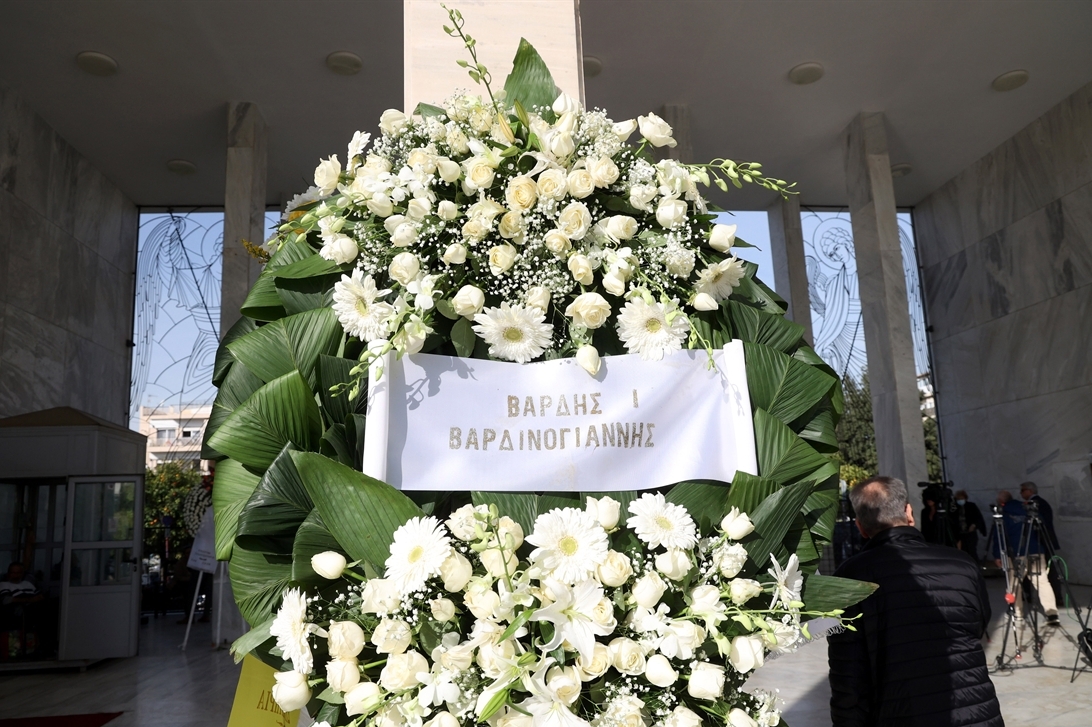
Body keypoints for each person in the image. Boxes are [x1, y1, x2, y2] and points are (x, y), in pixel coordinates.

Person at [828, 476, 1003, 727]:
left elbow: (848, 674)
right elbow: (978, 624)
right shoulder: (962, 563)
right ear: (909, 513)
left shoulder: (848, 577)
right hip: (977, 713)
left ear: (860, 526)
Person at [993, 484, 1060, 626]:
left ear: (1001, 502)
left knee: (1014, 584)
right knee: (1042, 582)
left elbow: (999, 536)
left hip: (1016, 553)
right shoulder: (1029, 509)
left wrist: (997, 555)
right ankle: (1052, 613)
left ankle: (1018, 614)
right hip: (1036, 550)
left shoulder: (1004, 513)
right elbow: (1042, 527)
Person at [954, 490, 987, 561]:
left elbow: (978, 518)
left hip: (970, 533)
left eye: (962, 498)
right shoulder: (954, 508)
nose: (960, 500)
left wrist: (974, 525)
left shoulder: (971, 506)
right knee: (961, 552)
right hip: (959, 534)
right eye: (958, 499)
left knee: (972, 551)